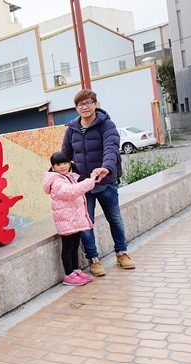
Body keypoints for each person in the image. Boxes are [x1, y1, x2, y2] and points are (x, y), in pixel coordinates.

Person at [61, 89, 135, 277]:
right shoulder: (71, 129)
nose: (84, 107)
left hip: (106, 181)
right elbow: (66, 156)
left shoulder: (107, 125)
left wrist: (106, 168)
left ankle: (122, 253)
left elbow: (111, 148)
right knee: (87, 224)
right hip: (83, 186)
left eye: (88, 103)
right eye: (80, 104)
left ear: (95, 104)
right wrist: (56, 176)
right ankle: (93, 259)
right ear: (76, 108)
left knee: (115, 218)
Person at [43, 152, 98, 286]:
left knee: (74, 247)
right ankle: (69, 275)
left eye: (65, 163)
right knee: (68, 247)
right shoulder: (57, 181)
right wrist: (90, 181)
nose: (62, 166)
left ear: (70, 163)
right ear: (53, 166)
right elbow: (71, 191)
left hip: (74, 219)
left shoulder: (68, 177)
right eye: (58, 164)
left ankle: (75, 270)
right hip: (66, 220)